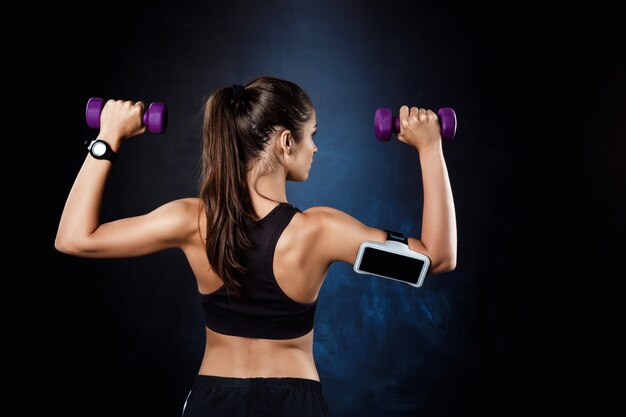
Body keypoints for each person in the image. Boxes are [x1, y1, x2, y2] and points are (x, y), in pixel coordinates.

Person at [55, 76, 456, 417]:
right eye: (311, 136)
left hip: (215, 399)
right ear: (285, 142)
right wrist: (430, 147)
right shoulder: (322, 230)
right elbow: (437, 258)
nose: (314, 148)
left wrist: (107, 137)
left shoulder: (191, 220)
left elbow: (74, 239)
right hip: (294, 402)